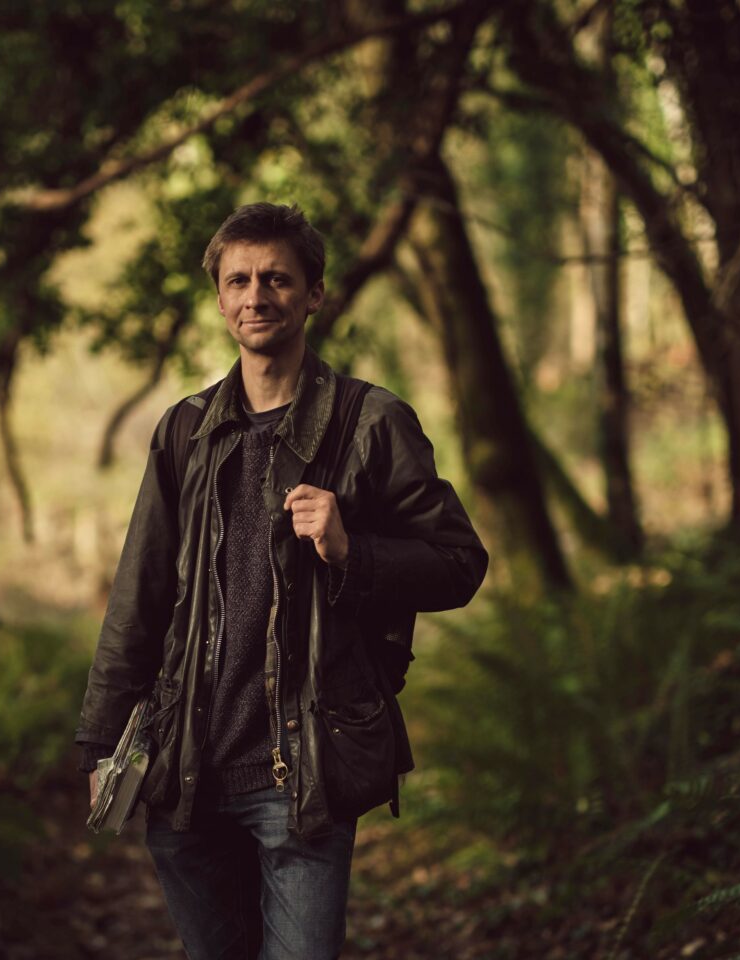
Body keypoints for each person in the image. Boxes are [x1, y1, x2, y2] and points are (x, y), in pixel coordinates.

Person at [75, 202, 487, 959]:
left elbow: (461, 563)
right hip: (186, 771)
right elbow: (139, 596)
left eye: (276, 279)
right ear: (220, 297)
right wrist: (104, 743)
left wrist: (350, 549)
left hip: (301, 777)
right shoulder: (184, 430)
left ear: (314, 294)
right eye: (238, 280)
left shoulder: (371, 423)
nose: (255, 295)